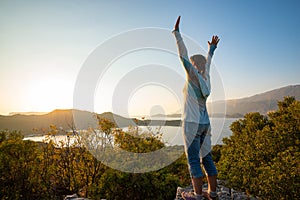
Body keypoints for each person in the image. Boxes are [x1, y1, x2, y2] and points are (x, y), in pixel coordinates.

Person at [172, 16, 220, 200]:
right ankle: (212, 193)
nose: (189, 65)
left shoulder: (193, 76)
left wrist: (177, 35)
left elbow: (182, 56)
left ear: (194, 66)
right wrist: (211, 50)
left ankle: (198, 196)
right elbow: (207, 65)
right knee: (206, 158)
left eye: (191, 64)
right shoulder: (206, 79)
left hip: (192, 124)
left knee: (193, 160)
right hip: (205, 124)